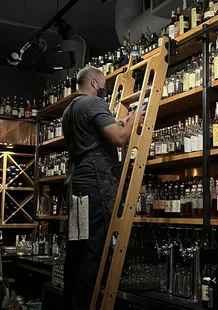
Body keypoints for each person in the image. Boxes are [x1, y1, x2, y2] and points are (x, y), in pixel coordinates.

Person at [61, 66, 142, 310]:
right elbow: (118, 138)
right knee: (93, 250)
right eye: (103, 82)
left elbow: (94, 136)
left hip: (77, 187)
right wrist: (135, 118)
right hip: (95, 185)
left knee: (77, 249)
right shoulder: (93, 104)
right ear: (95, 82)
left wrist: (118, 123)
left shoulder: (69, 110)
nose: (104, 86)